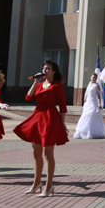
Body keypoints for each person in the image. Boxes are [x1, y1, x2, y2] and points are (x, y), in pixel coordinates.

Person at [13, 60, 70, 196]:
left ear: (53, 71)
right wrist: (35, 82)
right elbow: (28, 97)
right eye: (44, 68)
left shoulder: (57, 85)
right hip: (37, 118)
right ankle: (36, 183)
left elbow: (63, 105)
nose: (45, 70)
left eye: (48, 68)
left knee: (47, 154)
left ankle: (49, 186)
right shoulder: (39, 85)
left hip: (50, 118)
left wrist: (62, 123)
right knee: (36, 152)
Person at [75, 73, 105, 139]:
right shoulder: (89, 84)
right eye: (93, 77)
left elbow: (99, 96)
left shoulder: (97, 85)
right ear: (90, 77)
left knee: (91, 115)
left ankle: (91, 132)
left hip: (93, 103)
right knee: (85, 115)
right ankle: (84, 132)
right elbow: (87, 93)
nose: (94, 79)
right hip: (88, 103)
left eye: (95, 78)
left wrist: (99, 103)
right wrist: (85, 99)